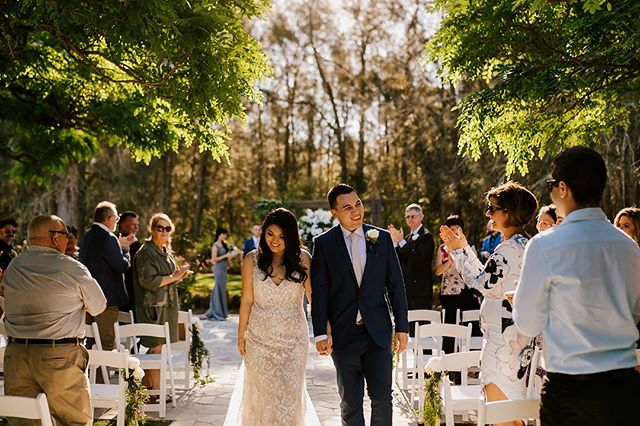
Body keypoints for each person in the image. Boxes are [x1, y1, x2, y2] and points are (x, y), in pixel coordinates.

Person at [513, 147, 640, 426]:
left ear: (562, 188)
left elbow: (528, 323)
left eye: (550, 186)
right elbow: (635, 314)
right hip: (624, 390)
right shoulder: (629, 248)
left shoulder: (545, 246)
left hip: (568, 392)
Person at [440, 181, 538, 423]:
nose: (488, 213)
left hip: (503, 345)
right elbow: (489, 281)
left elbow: (481, 284)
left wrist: (458, 251)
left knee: (501, 412)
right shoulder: (523, 245)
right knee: (513, 412)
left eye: (492, 208)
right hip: (514, 339)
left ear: (508, 212)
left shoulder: (507, 248)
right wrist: (463, 249)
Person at [311, 183, 409, 425]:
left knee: (383, 399)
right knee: (350, 403)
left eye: (358, 204)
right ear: (334, 213)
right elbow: (319, 293)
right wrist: (320, 333)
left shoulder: (382, 239)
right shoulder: (324, 244)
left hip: (377, 333)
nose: (356, 211)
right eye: (347, 208)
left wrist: (403, 327)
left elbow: (396, 285)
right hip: (344, 336)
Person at [2, 215, 106, 425]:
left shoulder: (14, 266)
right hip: (58, 355)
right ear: (55, 237)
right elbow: (99, 305)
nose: (68, 239)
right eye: (66, 234)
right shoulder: (71, 267)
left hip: (16, 356)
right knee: (73, 421)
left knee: (24, 422)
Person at [225, 208, 320, 425]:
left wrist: (325, 331)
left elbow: (313, 298)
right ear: (263, 232)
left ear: (291, 236)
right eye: (270, 234)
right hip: (259, 340)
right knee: (260, 397)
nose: (275, 240)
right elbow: (247, 300)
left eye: (282, 236)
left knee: (290, 396)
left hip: (294, 342)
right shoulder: (251, 259)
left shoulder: (303, 258)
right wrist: (241, 336)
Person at [133, 213, 190, 394]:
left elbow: (166, 278)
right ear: (152, 229)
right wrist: (173, 276)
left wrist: (178, 276)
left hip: (165, 307)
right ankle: (155, 390)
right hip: (153, 308)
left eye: (168, 228)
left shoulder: (163, 250)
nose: (164, 231)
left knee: (158, 347)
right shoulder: (146, 252)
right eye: (160, 228)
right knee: (156, 347)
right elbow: (147, 281)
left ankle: (147, 387)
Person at [79, 201, 132, 352]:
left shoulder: (87, 237)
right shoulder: (109, 237)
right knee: (107, 343)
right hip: (106, 300)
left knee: (89, 342)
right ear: (109, 219)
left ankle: (90, 375)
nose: (116, 222)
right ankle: (103, 376)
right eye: (116, 218)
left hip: (88, 298)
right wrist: (125, 250)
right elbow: (121, 266)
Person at [434, 215, 480, 353]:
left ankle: (471, 362)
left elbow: (475, 269)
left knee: (470, 326)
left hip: (467, 292)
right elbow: (437, 271)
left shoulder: (469, 247)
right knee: (450, 327)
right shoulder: (442, 249)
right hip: (449, 292)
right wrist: (449, 262)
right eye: (451, 228)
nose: (454, 231)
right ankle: (449, 364)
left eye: (456, 228)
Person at [388, 203, 435, 310]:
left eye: (413, 216)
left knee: (422, 324)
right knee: (407, 325)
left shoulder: (427, 236)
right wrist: (395, 242)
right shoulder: (407, 238)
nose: (410, 219)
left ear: (421, 217)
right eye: (407, 217)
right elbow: (400, 262)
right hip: (406, 291)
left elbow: (419, 259)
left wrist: (401, 241)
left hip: (421, 292)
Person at [203, 228, 240, 321]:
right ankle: (216, 312)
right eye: (223, 234)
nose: (225, 236)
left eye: (225, 234)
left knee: (222, 289)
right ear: (218, 235)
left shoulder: (225, 244)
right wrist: (225, 256)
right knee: (218, 288)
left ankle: (223, 312)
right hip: (218, 268)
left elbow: (231, 254)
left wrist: (232, 255)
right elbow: (213, 260)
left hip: (224, 269)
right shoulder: (215, 246)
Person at [118, 211, 142, 314]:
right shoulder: (113, 242)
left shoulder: (138, 245)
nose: (136, 228)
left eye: (137, 225)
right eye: (133, 224)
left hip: (134, 293)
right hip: (120, 294)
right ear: (122, 225)